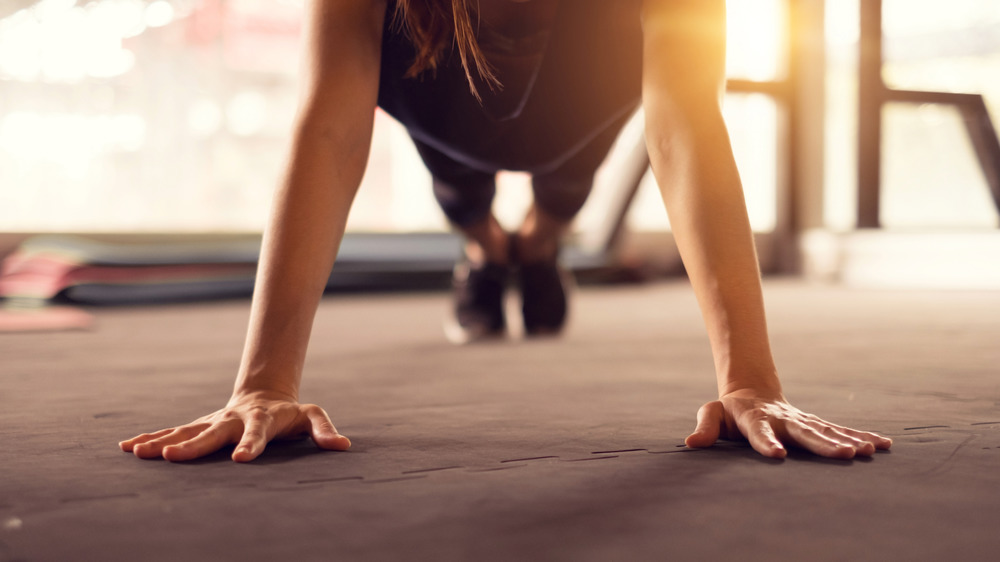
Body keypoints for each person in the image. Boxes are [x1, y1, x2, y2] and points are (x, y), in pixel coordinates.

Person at [120, 0, 892, 463]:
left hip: (580, 101)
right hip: (436, 84)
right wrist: (263, 383)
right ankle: (488, 248)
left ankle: (540, 244)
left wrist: (751, 380)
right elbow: (328, 129)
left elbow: (685, 126)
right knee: (463, 193)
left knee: (562, 190)